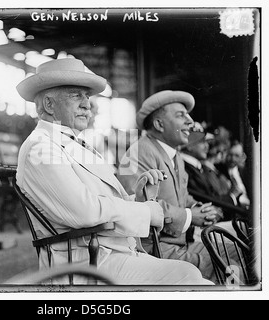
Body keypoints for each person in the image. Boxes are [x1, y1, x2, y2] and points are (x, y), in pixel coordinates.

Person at [15, 59, 213, 285]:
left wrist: (139, 197)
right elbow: (85, 211)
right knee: (189, 276)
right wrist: (147, 211)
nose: (87, 105)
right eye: (75, 95)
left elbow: (101, 203)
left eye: (87, 96)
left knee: (196, 278)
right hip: (82, 264)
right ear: (49, 105)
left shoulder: (74, 145)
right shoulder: (40, 147)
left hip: (105, 253)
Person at [117, 90, 221, 281]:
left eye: (188, 115)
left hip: (178, 244)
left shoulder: (175, 155)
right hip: (153, 250)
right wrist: (189, 216)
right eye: (181, 115)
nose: (190, 121)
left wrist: (199, 209)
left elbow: (181, 196)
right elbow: (138, 205)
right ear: (159, 124)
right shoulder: (136, 153)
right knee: (228, 260)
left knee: (239, 246)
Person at [217, 141, 251, 208]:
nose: (233, 159)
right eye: (230, 155)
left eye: (236, 155)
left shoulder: (245, 172)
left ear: (242, 156)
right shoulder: (218, 171)